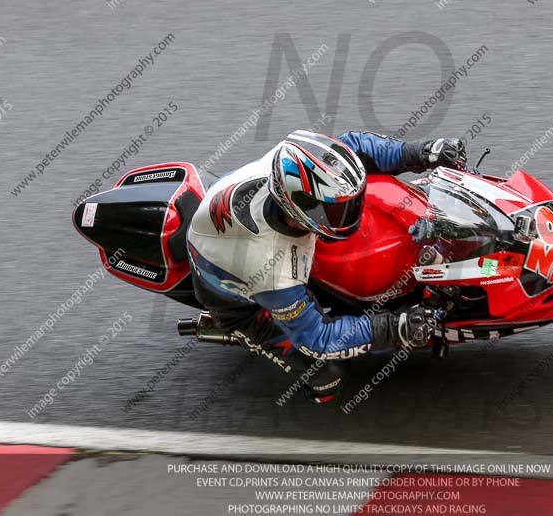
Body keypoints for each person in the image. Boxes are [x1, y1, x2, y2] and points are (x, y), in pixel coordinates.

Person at [187, 130, 466, 402]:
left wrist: (422, 152)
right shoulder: (273, 271)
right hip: (236, 298)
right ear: (299, 209)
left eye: (353, 202)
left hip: (230, 210)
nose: (353, 211)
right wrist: (393, 329)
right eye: (337, 209)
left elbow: (353, 147)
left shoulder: (293, 158)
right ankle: (272, 349)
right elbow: (318, 337)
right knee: (327, 374)